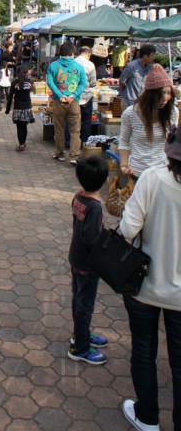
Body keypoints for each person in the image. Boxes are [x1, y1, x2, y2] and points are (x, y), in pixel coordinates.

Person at [119, 120, 181, 431]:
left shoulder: (154, 179)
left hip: (144, 284)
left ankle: (147, 417)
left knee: (144, 350)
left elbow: (128, 229)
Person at [67, 155, 109, 365]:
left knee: (78, 300)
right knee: (85, 304)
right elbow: (93, 239)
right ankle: (81, 347)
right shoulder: (95, 207)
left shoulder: (78, 197)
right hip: (87, 265)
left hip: (76, 258)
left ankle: (80, 333)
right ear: (105, 182)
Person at [118, 63, 178, 181]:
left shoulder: (172, 112)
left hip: (164, 173)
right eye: (160, 94)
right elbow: (124, 142)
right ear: (149, 95)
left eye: (168, 93)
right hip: (138, 173)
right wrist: (124, 165)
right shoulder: (130, 113)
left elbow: (172, 143)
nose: (164, 98)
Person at [46, 41, 87, 165]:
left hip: (59, 101)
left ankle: (60, 153)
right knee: (75, 130)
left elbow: (49, 81)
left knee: (59, 129)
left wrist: (59, 95)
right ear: (73, 52)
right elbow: (83, 83)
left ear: (60, 52)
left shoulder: (53, 65)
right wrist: (73, 95)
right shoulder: (79, 66)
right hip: (74, 102)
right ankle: (74, 156)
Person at [5, 65, 34, 152]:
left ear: (17, 73)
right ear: (27, 74)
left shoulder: (14, 83)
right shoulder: (30, 82)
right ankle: (23, 143)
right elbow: (33, 90)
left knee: (19, 127)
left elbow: (10, 98)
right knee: (24, 126)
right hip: (27, 107)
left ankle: (21, 144)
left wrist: (7, 110)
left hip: (18, 108)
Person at [119, 44, 156, 111]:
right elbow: (122, 81)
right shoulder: (132, 66)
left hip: (141, 103)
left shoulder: (149, 68)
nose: (153, 58)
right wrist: (126, 93)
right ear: (145, 56)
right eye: (152, 55)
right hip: (129, 102)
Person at [74, 46, 97, 144]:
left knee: (72, 120)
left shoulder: (72, 62)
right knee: (86, 121)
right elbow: (93, 83)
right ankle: (85, 142)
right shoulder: (90, 64)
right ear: (88, 54)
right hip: (86, 97)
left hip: (74, 96)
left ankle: (70, 142)